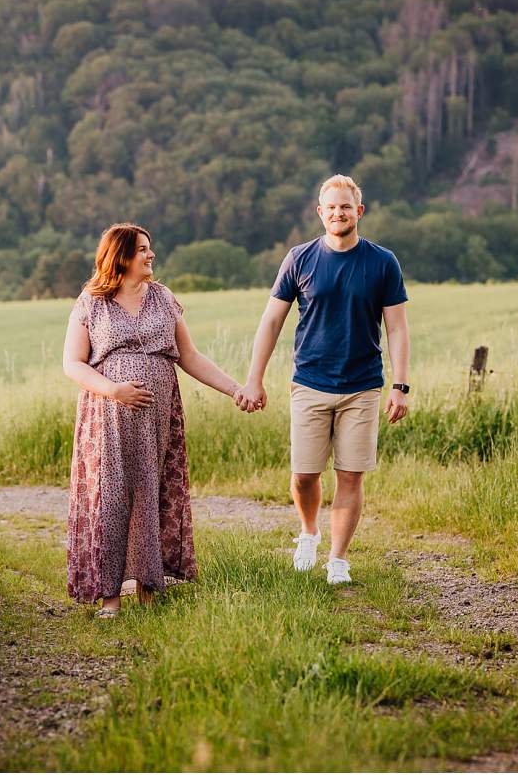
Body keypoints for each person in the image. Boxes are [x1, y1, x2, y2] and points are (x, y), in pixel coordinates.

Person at [235, 175, 410, 585]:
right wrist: (253, 379)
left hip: (363, 386)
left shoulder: (383, 262)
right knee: (304, 475)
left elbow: (397, 328)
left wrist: (400, 386)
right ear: (320, 213)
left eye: (346, 207)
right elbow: (272, 319)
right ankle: (309, 533)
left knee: (350, 474)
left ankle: (338, 560)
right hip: (310, 383)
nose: (338, 213)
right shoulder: (299, 258)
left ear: (359, 212)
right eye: (331, 207)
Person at [63, 222, 244, 618]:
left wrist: (235, 389)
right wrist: (114, 390)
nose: (151, 255)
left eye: (150, 248)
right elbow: (72, 363)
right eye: (143, 249)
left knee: (152, 493)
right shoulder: (92, 302)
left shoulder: (163, 297)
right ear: (121, 256)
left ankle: (149, 588)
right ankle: (109, 597)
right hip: (108, 416)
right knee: (110, 499)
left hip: (159, 416)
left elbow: (191, 357)